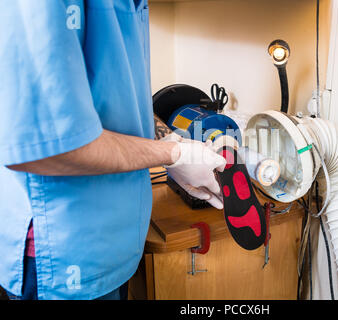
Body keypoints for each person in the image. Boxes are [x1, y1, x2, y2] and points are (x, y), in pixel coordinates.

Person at [0, 0, 226, 300]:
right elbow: (44, 148)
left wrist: (173, 141)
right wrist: (172, 155)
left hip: (116, 249)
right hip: (63, 259)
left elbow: (122, 101)